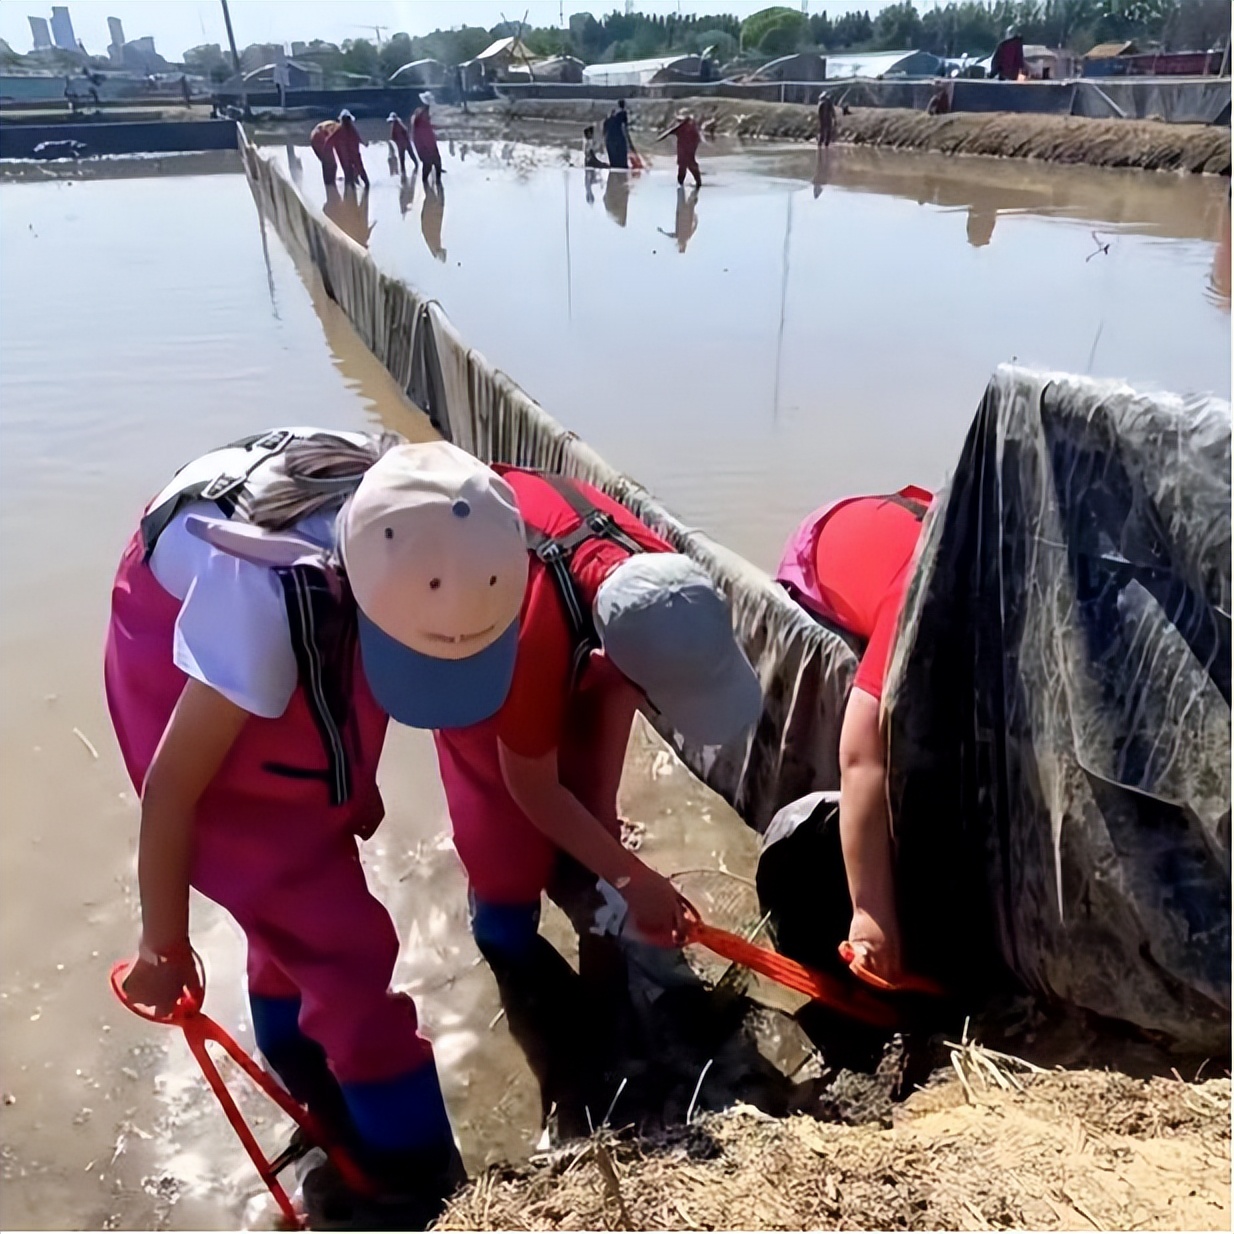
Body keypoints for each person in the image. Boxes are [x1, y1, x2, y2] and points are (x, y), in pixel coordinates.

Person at [106, 433, 532, 1226]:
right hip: (173, 636)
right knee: (328, 934)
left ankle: (321, 1090)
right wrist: (163, 947)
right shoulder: (258, 602)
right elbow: (171, 788)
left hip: (310, 607)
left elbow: (355, 683)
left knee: (299, 909)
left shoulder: (443, 520)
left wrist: (351, 782)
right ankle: (427, 1194)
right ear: (366, 597)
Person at [408, 469, 762, 1130]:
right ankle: (505, 936)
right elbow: (529, 785)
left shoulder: (665, 583)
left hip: (575, 608)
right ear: (608, 653)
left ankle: (604, 980)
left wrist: (615, 867)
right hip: (474, 630)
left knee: (591, 833)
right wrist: (631, 876)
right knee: (506, 861)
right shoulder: (525, 630)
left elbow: (615, 710)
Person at [775, 487, 934, 991]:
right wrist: (869, 912)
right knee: (883, 712)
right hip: (817, 554)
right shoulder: (925, 594)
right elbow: (861, 757)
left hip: (895, 518)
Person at [656, 112, 702, 188]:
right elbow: (668, 133)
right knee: (683, 165)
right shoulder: (681, 128)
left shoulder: (690, 128)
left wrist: (659, 138)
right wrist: (659, 139)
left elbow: (697, 139)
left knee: (689, 164)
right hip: (683, 149)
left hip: (688, 149)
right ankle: (681, 183)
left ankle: (697, 183)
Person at [325, 110, 369, 189]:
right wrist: (326, 149)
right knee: (348, 171)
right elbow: (329, 141)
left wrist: (363, 143)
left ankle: (364, 185)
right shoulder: (339, 130)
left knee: (359, 169)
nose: (347, 121)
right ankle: (351, 189)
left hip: (353, 153)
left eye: (347, 119)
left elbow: (357, 137)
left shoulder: (350, 129)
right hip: (345, 154)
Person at [412, 94, 443, 190]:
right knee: (430, 164)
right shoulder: (421, 117)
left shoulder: (420, 114)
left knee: (436, 163)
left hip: (425, 145)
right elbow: (425, 135)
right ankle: (428, 186)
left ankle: (435, 185)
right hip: (425, 147)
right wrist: (431, 147)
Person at [658, 185, 699, 253]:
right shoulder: (685, 236)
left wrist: (662, 232)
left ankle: (686, 185)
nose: (679, 245)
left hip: (682, 213)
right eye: (681, 246)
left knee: (683, 194)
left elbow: (695, 226)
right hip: (684, 213)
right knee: (685, 196)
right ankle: (689, 186)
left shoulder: (685, 236)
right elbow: (695, 226)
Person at [602, 99, 634, 170]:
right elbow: (625, 128)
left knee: (614, 163)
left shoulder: (610, 117)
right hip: (617, 138)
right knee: (621, 162)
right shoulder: (623, 114)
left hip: (609, 139)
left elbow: (604, 131)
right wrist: (630, 144)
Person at [310, 118, 340, 187]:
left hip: (315, 137)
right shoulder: (336, 127)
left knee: (326, 162)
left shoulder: (334, 125)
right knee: (331, 163)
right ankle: (331, 183)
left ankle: (329, 182)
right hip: (319, 138)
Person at [388, 111, 417, 177]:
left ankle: (404, 171)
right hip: (404, 143)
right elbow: (405, 132)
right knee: (409, 155)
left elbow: (393, 136)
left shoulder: (396, 125)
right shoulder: (399, 124)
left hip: (402, 144)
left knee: (403, 158)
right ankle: (415, 165)